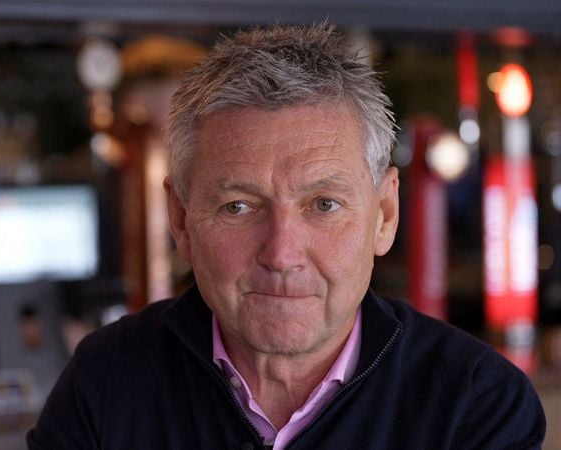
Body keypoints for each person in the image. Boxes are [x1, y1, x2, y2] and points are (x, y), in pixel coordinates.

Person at [27, 22, 546, 449]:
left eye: (324, 205)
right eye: (238, 206)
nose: (281, 254)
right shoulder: (105, 381)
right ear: (181, 219)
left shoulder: (476, 402)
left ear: (384, 215)